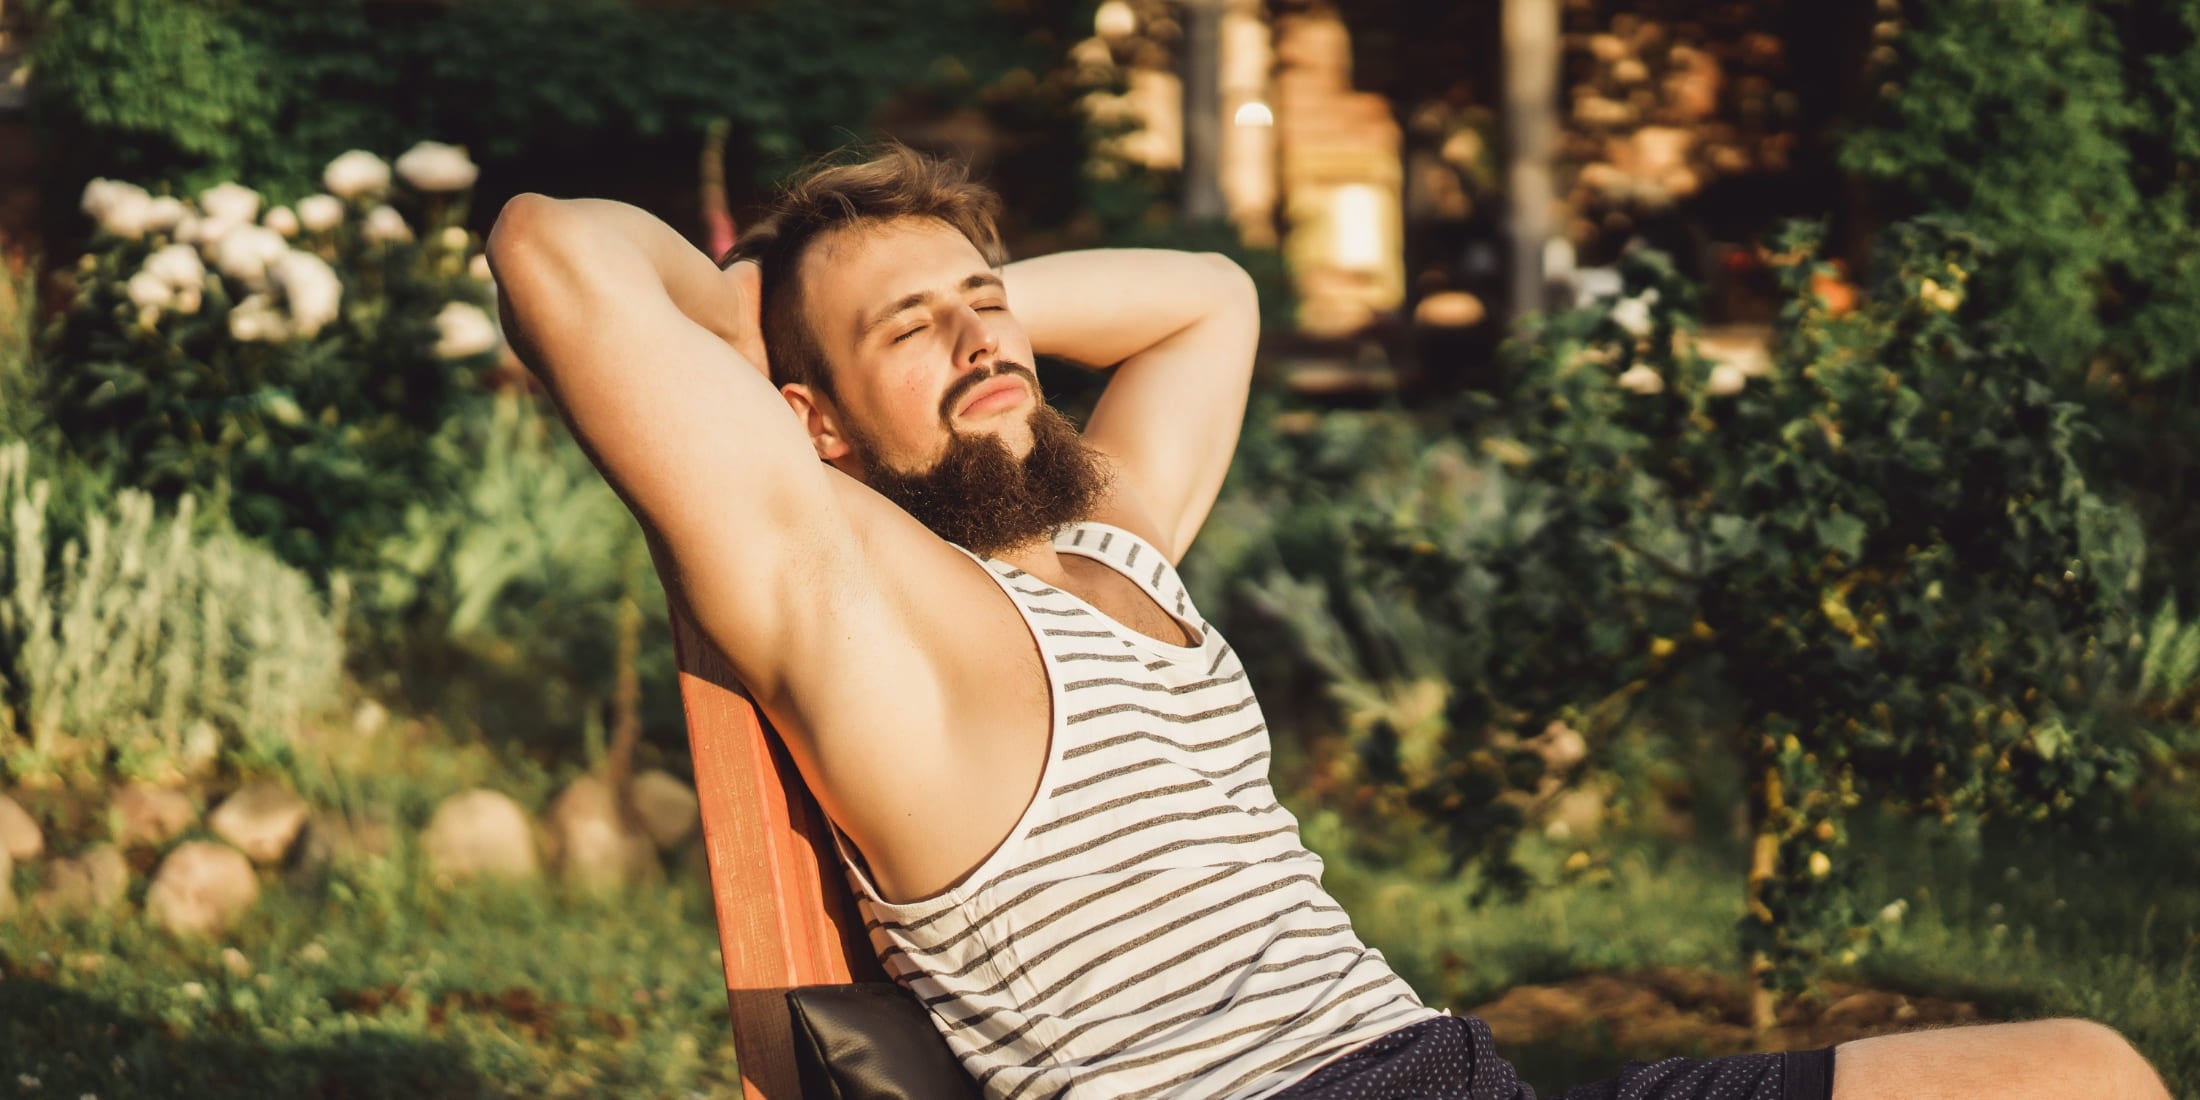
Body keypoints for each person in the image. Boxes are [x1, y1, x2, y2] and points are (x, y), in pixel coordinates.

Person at [485, 144, 2171, 1100]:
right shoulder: (871, 622)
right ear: (816, 429)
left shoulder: (1110, 536)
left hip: (1453, 1072)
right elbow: (552, 248)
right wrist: (760, 325)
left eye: (992, 304)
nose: (986, 339)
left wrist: (949, 317)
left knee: (2080, 1073)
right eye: (912, 335)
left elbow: (1214, 296)